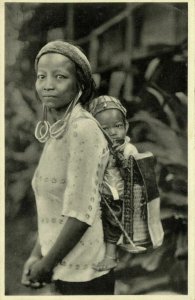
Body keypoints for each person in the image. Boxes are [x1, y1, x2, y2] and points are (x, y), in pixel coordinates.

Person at [21, 41, 115, 295]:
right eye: (42, 76)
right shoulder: (59, 129)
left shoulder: (82, 129)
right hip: (61, 269)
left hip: (85, 276)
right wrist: (36, 256)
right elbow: (54, 208)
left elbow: (81, 212)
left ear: (80, 85)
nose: (47, 84)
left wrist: (46, 264)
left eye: (60, 76)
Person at [88, 95, 138, 271]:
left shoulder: (128, 149)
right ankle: (99, 253)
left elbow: (135, 176)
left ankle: (111, 256)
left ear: (126, 126)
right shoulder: (99, 148)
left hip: (118, 195)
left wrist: (121, 159)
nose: (113, 132)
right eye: (105, 128)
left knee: (112, 224)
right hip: (101, 194)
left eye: (117, 126)